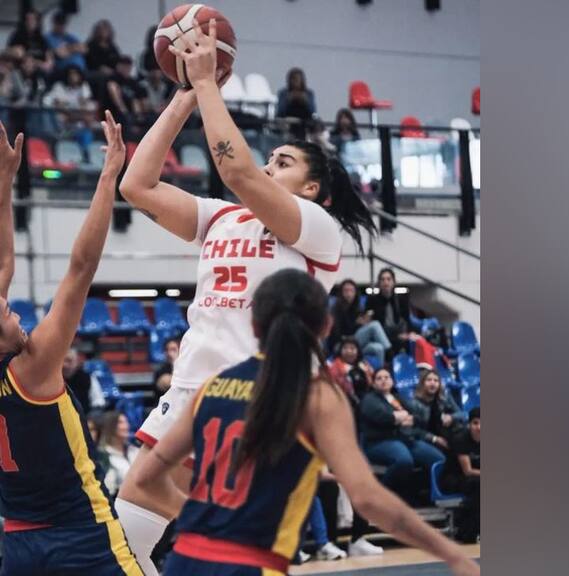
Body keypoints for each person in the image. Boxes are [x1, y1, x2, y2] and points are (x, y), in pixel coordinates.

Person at [116, 20, 376, 575]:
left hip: (262, 390)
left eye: (283, 163)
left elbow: (235, 168)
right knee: (132, 517)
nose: (267, 165)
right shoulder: (221, 215)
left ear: (313, 189)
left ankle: (227, 552)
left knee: (193, 527)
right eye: (270, 158)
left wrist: (209, 83)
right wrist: (185, 96)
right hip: (194, 384)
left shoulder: (315, 227)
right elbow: (136, 185)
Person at [130, 268, 479, 576]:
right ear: (326, 326)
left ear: (254, 325)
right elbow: (368, 498)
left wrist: (200, 517)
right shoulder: (317, 397)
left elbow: (146, 478)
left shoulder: (211, 387)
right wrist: (451, 553)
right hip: (251, 563)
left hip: (186, 560)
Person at [0, 113, 142, 574]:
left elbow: (3, 264)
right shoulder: (33, 365)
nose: (15, 311)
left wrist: (4, 185)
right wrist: (108, 177)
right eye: (7, 314)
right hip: (81, 534)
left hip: (17, 544)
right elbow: (81, 268)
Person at [359, 367, 445, 499]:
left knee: (438, 459)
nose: (383, 380)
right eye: (379, 378)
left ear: (392, 381)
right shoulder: (369, 399)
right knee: (404, 461)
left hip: (403, 439)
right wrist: (396, 418)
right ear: (374, 383)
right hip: (379, 442)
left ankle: (418, 495)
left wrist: (404, 418)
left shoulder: (397, 398)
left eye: (387, 377)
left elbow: (417, 417)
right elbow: (380, 416)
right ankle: (381, 495)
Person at [441, 407, 480, 543]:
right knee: (478, 487)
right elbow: (467, 471)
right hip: (453, 478)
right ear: (469, 424)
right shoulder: (461, 439)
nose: (479, 427)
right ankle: (467, 531)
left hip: (475, 478)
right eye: (475, 423)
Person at [330, 278, 391, 365]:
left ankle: (379, 373)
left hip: (357, 343)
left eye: (351, 291)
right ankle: (390, 351)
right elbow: (338, 333)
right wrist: (357, 324)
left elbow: (358, 328)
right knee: (375, 325)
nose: (349, 294)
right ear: (341, 293)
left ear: (355, 293)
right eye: (346, 291)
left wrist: (363, 323)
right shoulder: (336, 309)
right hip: (342, 343)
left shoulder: (357, 307)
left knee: (379, 348)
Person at [365, 268, 420, 357]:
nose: (386, 282)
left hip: (397, 332)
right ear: (379, 283)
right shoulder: (372, 300)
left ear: (394, 282)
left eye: (388, 279)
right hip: (381, 334)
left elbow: (407, 319)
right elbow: (370, 321)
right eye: (382, 280)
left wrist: (409, 333)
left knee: (414, 339)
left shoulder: (401, 299)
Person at [409, 369, 465, 449]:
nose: (433, 383)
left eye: (436, 380)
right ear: (422, 384)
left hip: (446, 435)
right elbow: (413, 430)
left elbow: (463, 414)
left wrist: (451, 417)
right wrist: (434, 438)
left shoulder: (445, 398)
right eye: (429, 380)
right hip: (426, 439)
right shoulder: (414, 403)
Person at [101, 411, 140, 498]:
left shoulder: (135, 450)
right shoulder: (104, 457)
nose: (126, 426)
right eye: (121, 423)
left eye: (126, 422)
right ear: (111, 426)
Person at [328, 336, 374, 402]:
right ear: (340, 351)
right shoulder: (334, 367)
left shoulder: (364, 364)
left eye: (352, 348)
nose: (349, 351)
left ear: (358, 351)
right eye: (345, 348)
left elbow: (372, 384)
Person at [62, 347, 105, 415]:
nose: (65, 365)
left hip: (85, 419)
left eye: (69, 361)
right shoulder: (53, 380)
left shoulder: (88, 378)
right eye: (62, 361)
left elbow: (98, 402)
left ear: (77, 362)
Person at [276, 66, 317, 137]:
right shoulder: (283, 93)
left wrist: (304, 100)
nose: (295, 82)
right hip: (288, 123)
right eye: (292, 79)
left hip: (304, 123)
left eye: (297, 79)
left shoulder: (309, 93)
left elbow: (312, 111)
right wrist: (289, 100)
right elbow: (280, 112)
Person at [45, 10, 86, 75]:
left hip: (81, 71)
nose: (62, 26)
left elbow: (84, 49)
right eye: (59, 23)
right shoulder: (48, 37)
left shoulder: (69, 36)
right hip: (65, 72)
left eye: (63, 23)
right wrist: (74, 48)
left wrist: (68, 48)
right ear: (54, 23)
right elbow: (60, 54)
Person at [152, 338, 179, 403]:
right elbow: (170, 384)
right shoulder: (160, 371)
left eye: (173, 350)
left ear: (179, 351)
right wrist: (174, 363)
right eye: (167, 350)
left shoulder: (186, 368)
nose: (170, 353)